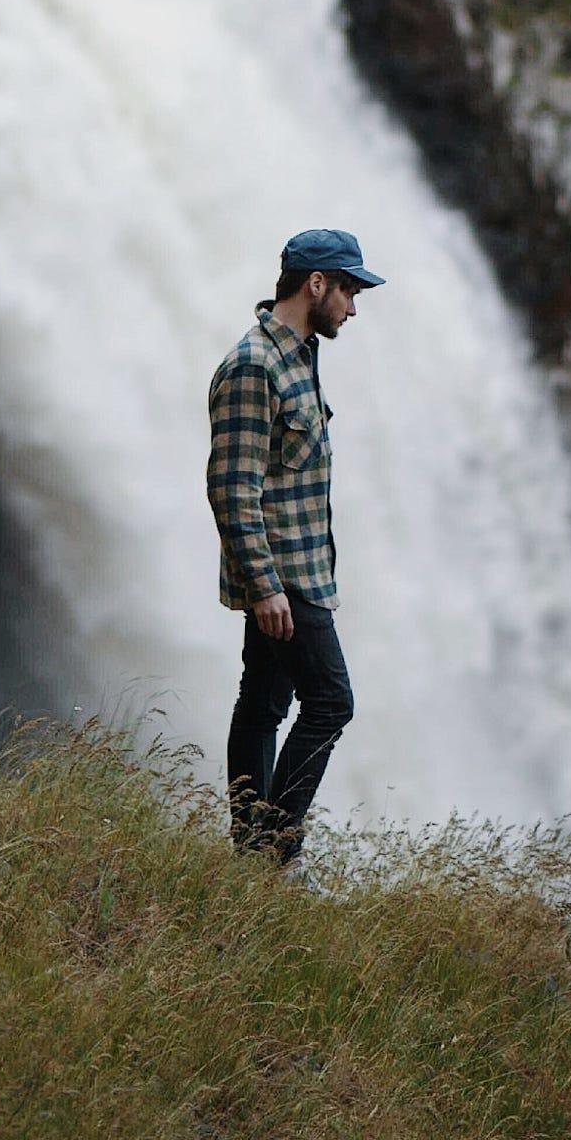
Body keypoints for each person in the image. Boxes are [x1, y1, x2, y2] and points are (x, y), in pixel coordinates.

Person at [206, 227, 385, 865]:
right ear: (316, 285)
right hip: (285, 578)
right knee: (331, 701)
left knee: (263, 702)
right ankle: (274, 850)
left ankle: (250, 853)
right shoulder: (255, 365)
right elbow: (231, 487)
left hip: (303, 571)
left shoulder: (300, 355)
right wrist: (265, 587)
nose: (354, 307)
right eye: (349, 290)